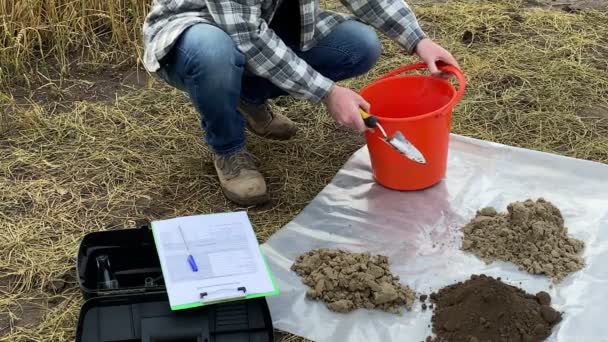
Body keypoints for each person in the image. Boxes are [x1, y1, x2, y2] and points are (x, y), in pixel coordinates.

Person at [142, 0, 459, 206]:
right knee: (214, 54)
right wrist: (327, 92)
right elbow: (249, 38)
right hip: (193, 34)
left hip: (262, 23)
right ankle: (228, 149)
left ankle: (248, 98)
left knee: (359, 46)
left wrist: (419, 39)